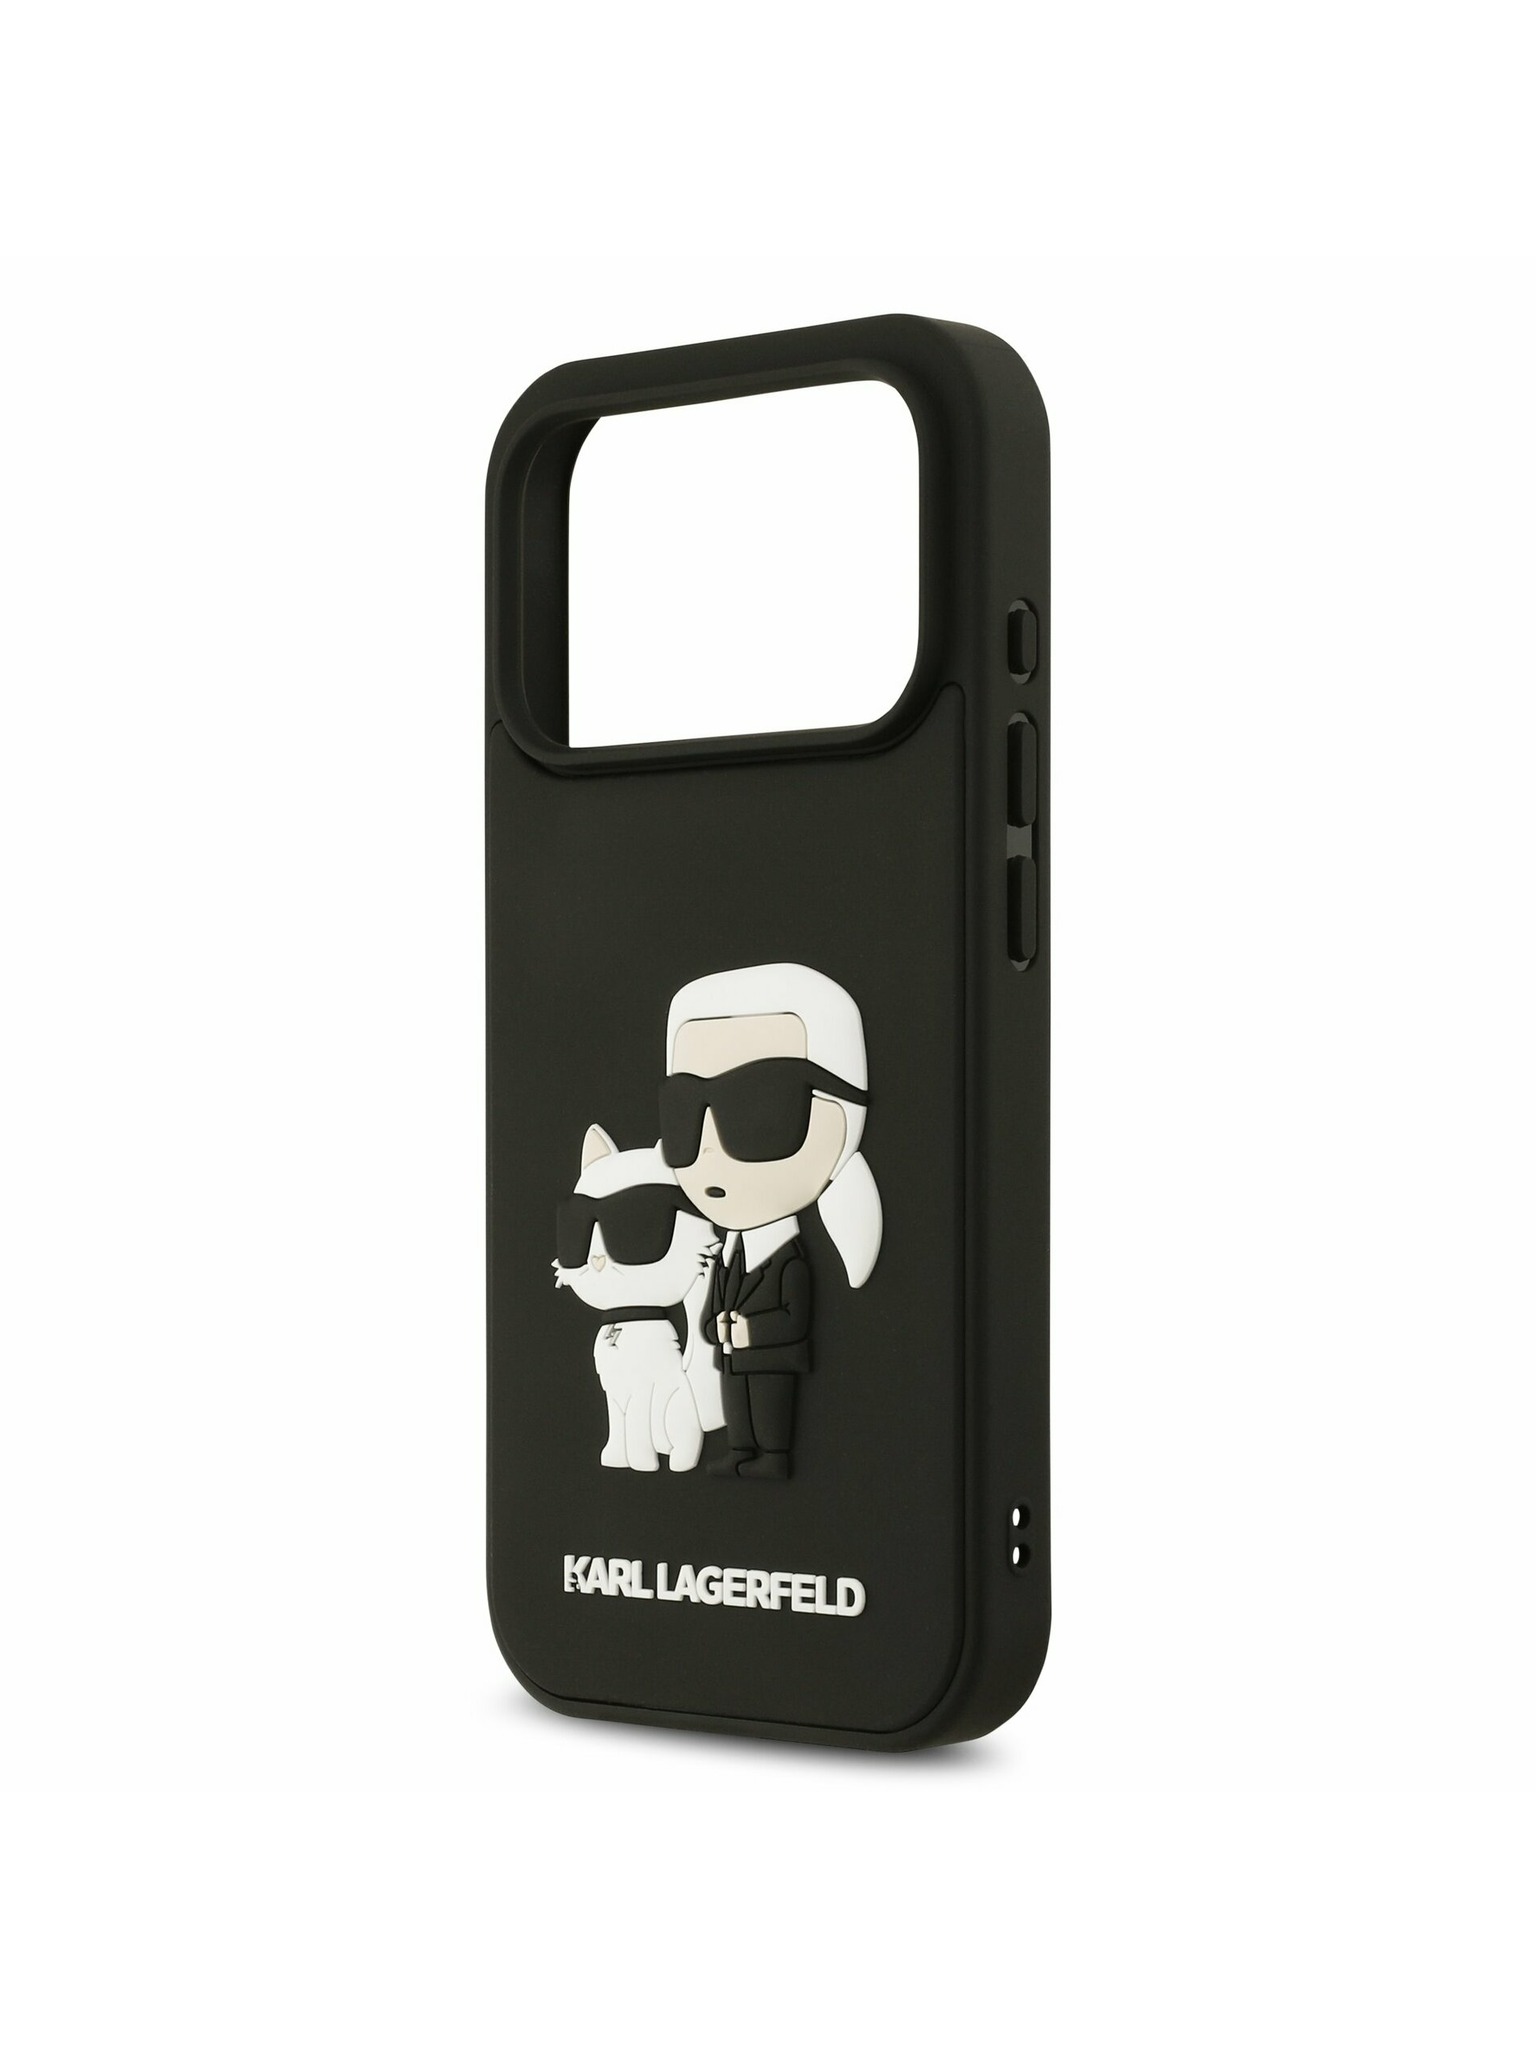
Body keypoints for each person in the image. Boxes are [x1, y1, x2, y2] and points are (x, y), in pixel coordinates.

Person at [659, 963, 882, 1479]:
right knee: (738, 1407)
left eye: (761, 1107)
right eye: (684, 1110)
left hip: (772, 1360)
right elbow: (713, 1305)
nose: (710, 1145)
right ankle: (741, 1451)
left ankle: (772, 1456)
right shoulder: (728, 1253)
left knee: (769, 1407)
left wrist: (749, 1330)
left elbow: (793, 1315)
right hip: (732, 1358)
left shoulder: (789, 1262)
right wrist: (715, 1327)